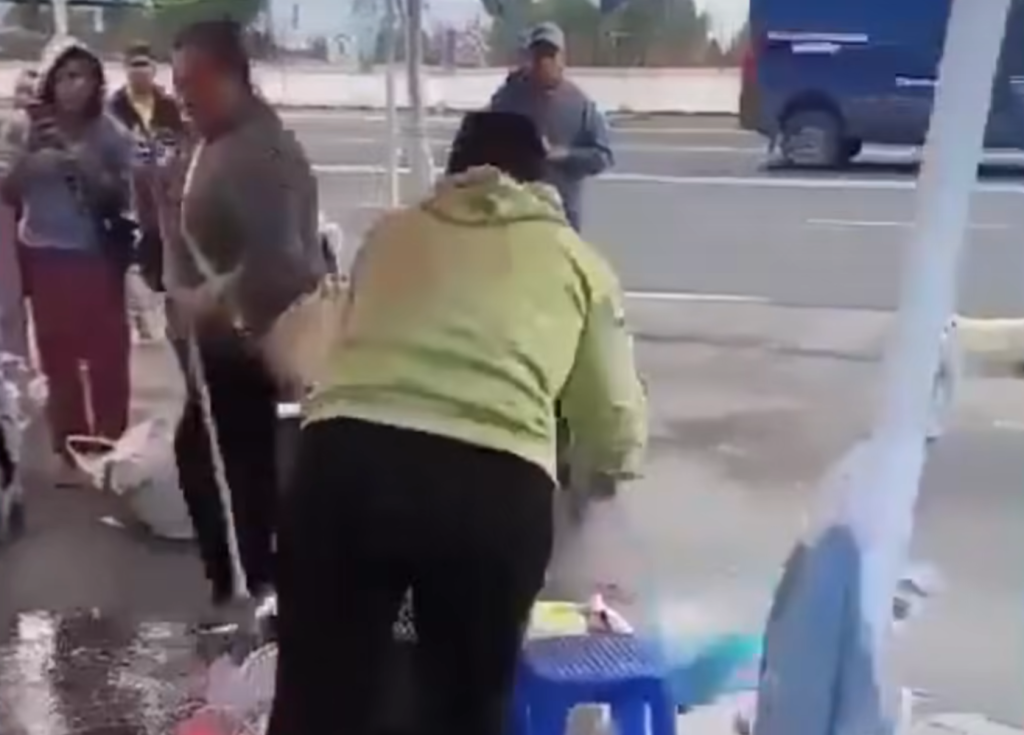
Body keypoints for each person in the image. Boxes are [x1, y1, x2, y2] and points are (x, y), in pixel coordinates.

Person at [266, 110, 647, 735]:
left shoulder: (392, 233)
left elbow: (332, 343)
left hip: (345, 464)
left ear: (452, 171)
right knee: (466, 704)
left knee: (318, 697)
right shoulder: (577, 262)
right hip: (492, 484)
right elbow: (613, 421)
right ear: (540, 180)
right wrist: (602, 471)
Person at [152, 19, 324, 623]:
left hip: (247, 345)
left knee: (225, 470)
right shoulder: (220, 139)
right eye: (176, 81)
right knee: (227, 464)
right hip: (224, 347)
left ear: (230, 76)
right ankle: (246, 586)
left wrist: (207, 301)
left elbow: (282, 261)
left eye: (191, 80)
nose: (181, 94)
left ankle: (246, 592)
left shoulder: (259, 152)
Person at [0, 38, 135, 485]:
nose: (76, 86)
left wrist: (80, 161)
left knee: (108, 357)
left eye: (86, 77)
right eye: (66, 76)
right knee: (58, 358)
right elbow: (7, 190)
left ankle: (111, 443)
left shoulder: (108, 131)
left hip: (98, 257)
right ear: (50, 82)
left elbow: (124, 191)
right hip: (45, 257)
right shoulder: (24, 127)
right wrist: (30, 157)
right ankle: (71, 446)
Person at [488, 22, 614, 232]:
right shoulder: (509, 98)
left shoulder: (580, 105)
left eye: (550, 55)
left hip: (561, 219)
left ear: (562, 59)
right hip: (516, 217)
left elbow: (603, 157)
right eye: (538, 55)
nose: (544, 62)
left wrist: (563, 154)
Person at [108, 41, 185, 293]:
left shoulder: (169, 105)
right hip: (128, 186)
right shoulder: (113, 107)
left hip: (163, 184)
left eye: (144, 65)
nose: (139, 70)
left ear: (154, 69)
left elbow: (181, 139)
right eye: (134, 65)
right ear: (125, 69)